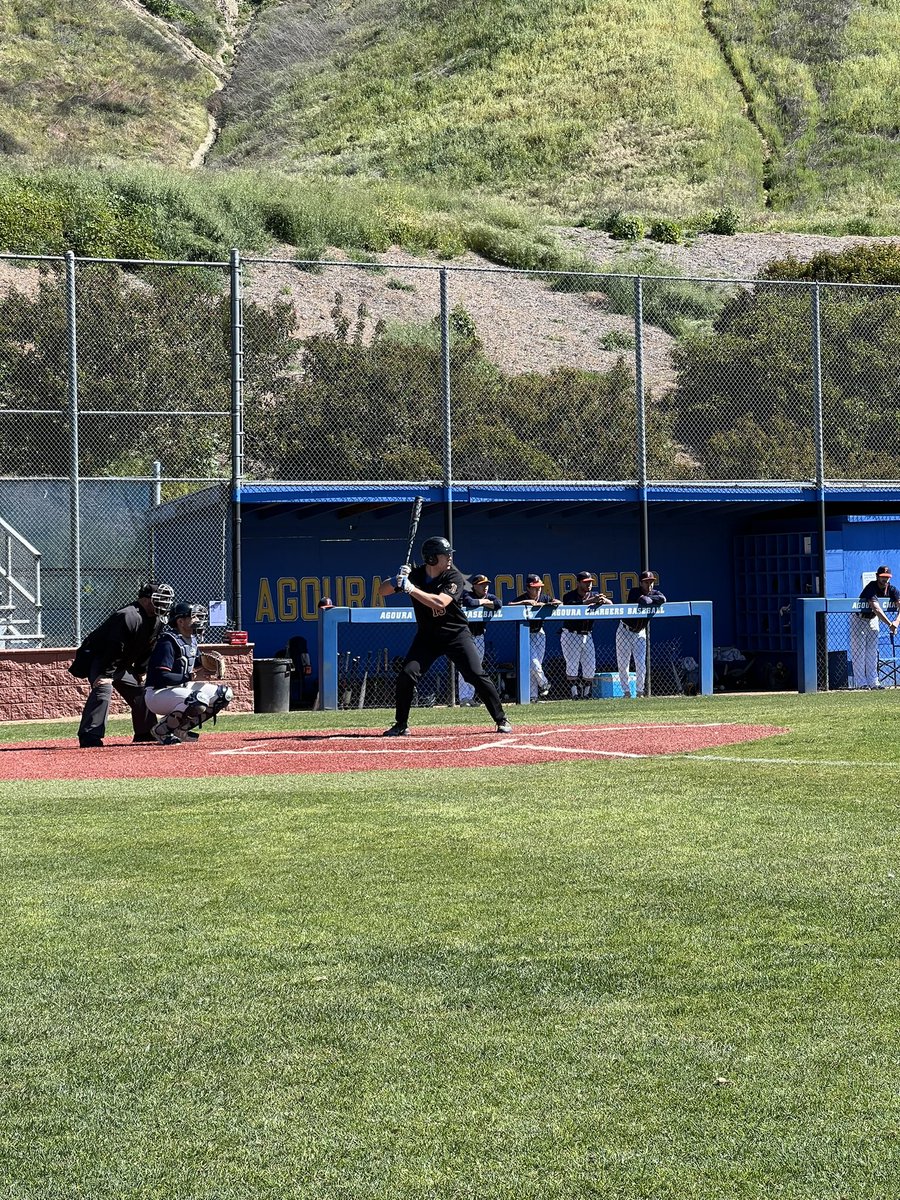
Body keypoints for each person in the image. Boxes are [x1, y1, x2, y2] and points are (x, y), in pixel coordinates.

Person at [378, 536, 512, 736]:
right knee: (407, 675)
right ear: (432, 558)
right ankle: (401, 725)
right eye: (445, 555)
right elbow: (382, 591)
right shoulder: (415, 576)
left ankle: (501, 719)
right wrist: (396, 580)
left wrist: (411, 589)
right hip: (428, 637)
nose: (449, 558)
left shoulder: (453, 577)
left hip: (455, 634)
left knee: (475, 674)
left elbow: (439, 603)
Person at [74, 581, 174, 747]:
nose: (164, 604)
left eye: (166, 601)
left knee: (143, 691)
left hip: (121, 663)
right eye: (160, 600)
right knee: (103, 689)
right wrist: (106, 675)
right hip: (102, 660)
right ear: (144, 599)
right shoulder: (128, 616)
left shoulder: (157, 620)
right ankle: (89, 735)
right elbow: (114, 647)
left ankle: (146, 732)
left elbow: (149, 646)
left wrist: (141, 670)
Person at [144, 602, 234, 745]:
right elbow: (163, 676)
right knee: (198, 698)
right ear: (180, 621)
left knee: (224, 694)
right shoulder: (167, 642)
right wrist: (190, 677)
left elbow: (192, 662)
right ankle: (162, 730)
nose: (198, 621)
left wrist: (208, 663)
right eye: (194, 617)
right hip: (157, 693)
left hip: (179, 688)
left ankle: (181, 729)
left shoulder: (191, 640)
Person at [560, 570, 613, 699]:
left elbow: (611, 604)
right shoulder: (569, 596)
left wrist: (602, 600)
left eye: (590, 582)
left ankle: (587, 693)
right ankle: (575, 694)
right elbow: (572, 607)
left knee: (590, 665)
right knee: (572, 664)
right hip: (571, 634)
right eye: (585, 582)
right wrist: (590, 601)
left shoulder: (594, 595)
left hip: (587, 634)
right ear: (578, 583)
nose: (589, 585)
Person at [509, 573, 561, 700]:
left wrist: (551, 603)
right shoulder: (524, 598)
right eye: (535, 587)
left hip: (540, 633)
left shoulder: (543, 597)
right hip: (526, 633)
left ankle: (533, 696)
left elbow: (559, 602)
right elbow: (509, 605)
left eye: (539, 587)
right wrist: (525, 602)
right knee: (534, 662)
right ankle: (544, 683)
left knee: (534, 666)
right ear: (528, 588)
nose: (538, 590)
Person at [616, 570, 667, 698]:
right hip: (625, 630)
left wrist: (652, 598)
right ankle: (626, 692)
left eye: (651, 582)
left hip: (640, 632)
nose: (649, 584)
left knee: (640, 663)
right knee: (623, 663)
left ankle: (640, 692)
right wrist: (652, 599)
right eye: (646, 582)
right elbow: (645, 601)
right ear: (641, 583)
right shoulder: (634, 591)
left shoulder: (655, 592)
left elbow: (663, 599)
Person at [850, 565, 900, 689]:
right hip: (859, 619)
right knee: (859, 651)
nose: (885, 580)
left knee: (872, 652)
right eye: (883, 577)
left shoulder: (892, 589)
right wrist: (890, 624)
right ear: (877, 576)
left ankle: (874, 682)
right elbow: (876, 608)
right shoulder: (871, 587)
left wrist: (897, 622)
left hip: (873, 619)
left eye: (887, 577)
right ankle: (861, 683)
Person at [459, 573, 501, 706]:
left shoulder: (489, 596)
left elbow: (498, 603)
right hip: (466, 637)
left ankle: (469, 697)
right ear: (475, 586)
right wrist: (483, 602)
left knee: (476, 667)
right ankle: (464, 698)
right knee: (465, 666)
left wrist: (487, 601)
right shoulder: (468, 595)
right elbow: (469, 602)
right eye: (482, 585)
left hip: (479, 637)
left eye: (487, 585)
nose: (485, 587)